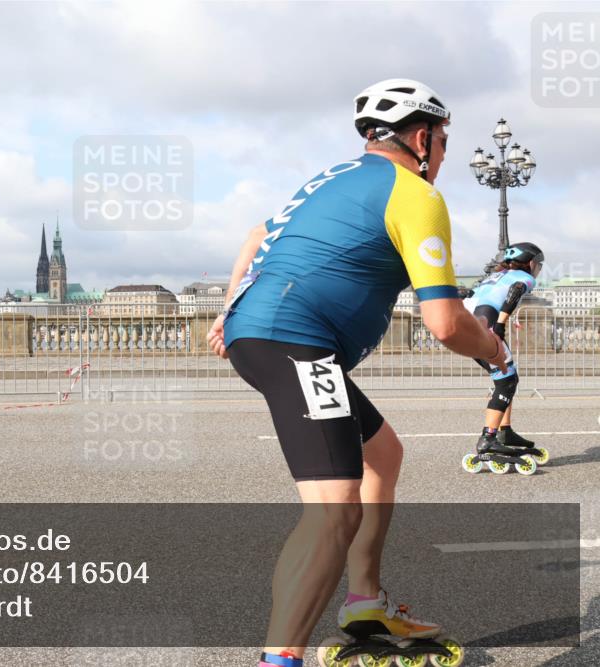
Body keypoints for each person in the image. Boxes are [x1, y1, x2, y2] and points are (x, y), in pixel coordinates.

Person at [206, 79, 507, 667]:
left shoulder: (332, 177)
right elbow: (445, 323)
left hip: (271, 331)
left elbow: (256, 234)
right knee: (334, 509)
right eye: (443, 142)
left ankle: (365, 600)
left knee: (382, 454)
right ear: (422, 138)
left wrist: (230, 305)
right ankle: (279, 659)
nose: (442, 156)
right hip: (299, 343)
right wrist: (493, 349)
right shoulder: (415, 194)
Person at [463, 242, 549, 470]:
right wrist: (500, 325)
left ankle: (505, 432)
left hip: (466, 328)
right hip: (484, 330)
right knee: (507, 382)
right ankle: (488, 439)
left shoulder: (495, 276)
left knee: (506, 377)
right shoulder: (524, 277)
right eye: (538, 264)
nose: (538, 269)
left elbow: (469, 295)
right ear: (531, 263)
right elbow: (516, 290)